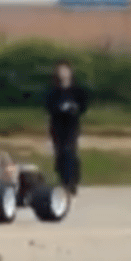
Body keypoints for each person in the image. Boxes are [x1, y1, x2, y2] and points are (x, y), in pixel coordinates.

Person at [45, 60, 88, 195]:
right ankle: (63, 180)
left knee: (69, 151)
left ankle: (72, 181)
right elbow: (48, 106)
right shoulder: (54, 91)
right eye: (61, 71)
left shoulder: (77, 90)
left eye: (66, 70)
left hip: (71, 126)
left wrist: (74, 109)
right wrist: (59, 109)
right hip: (57, 126)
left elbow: (83, 105)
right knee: (59, 153)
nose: (63, 73)